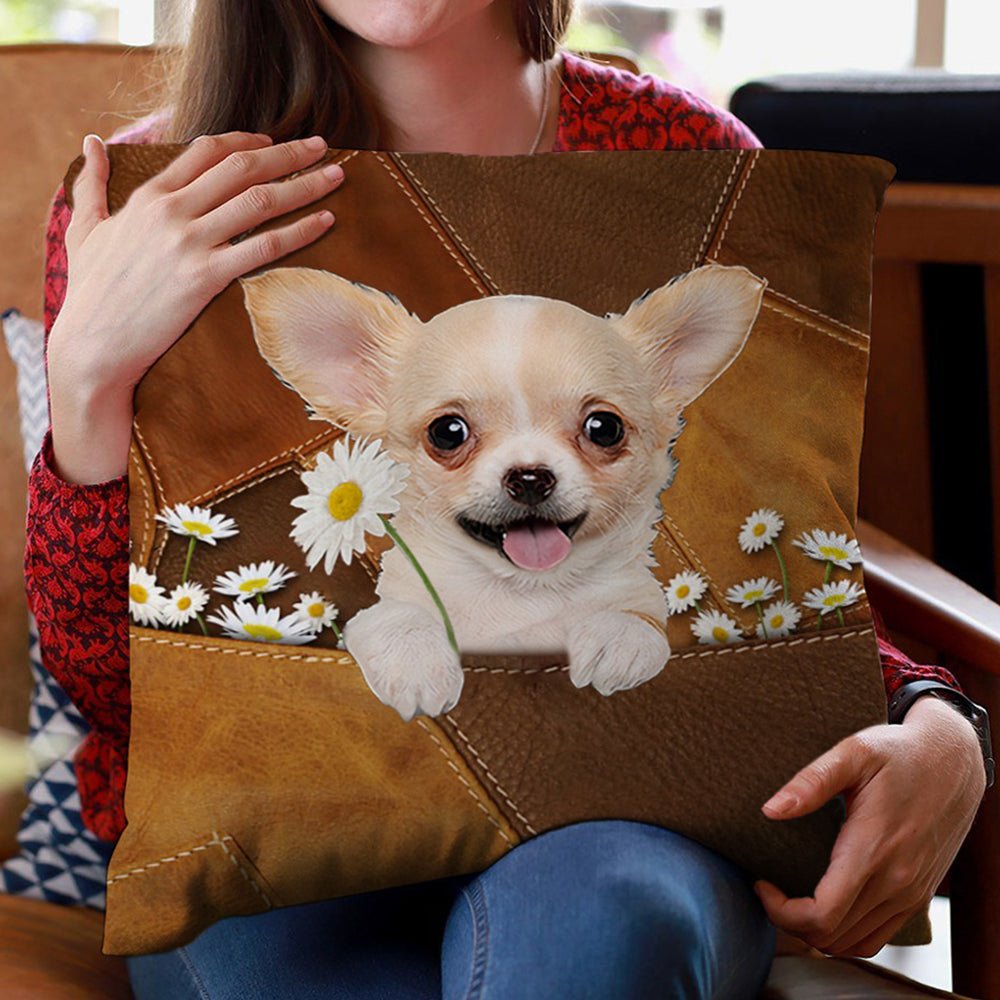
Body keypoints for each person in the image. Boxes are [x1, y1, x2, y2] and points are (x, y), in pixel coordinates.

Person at [24, 1, 988, 997]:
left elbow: (767, 552)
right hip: (270, 817)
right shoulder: (157, 207)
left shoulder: (692, 166)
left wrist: (934, 713)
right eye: (451, 433)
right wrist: (88, 380)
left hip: (625, 815)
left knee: (600, 924)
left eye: (599, 428)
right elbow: (108, 681)